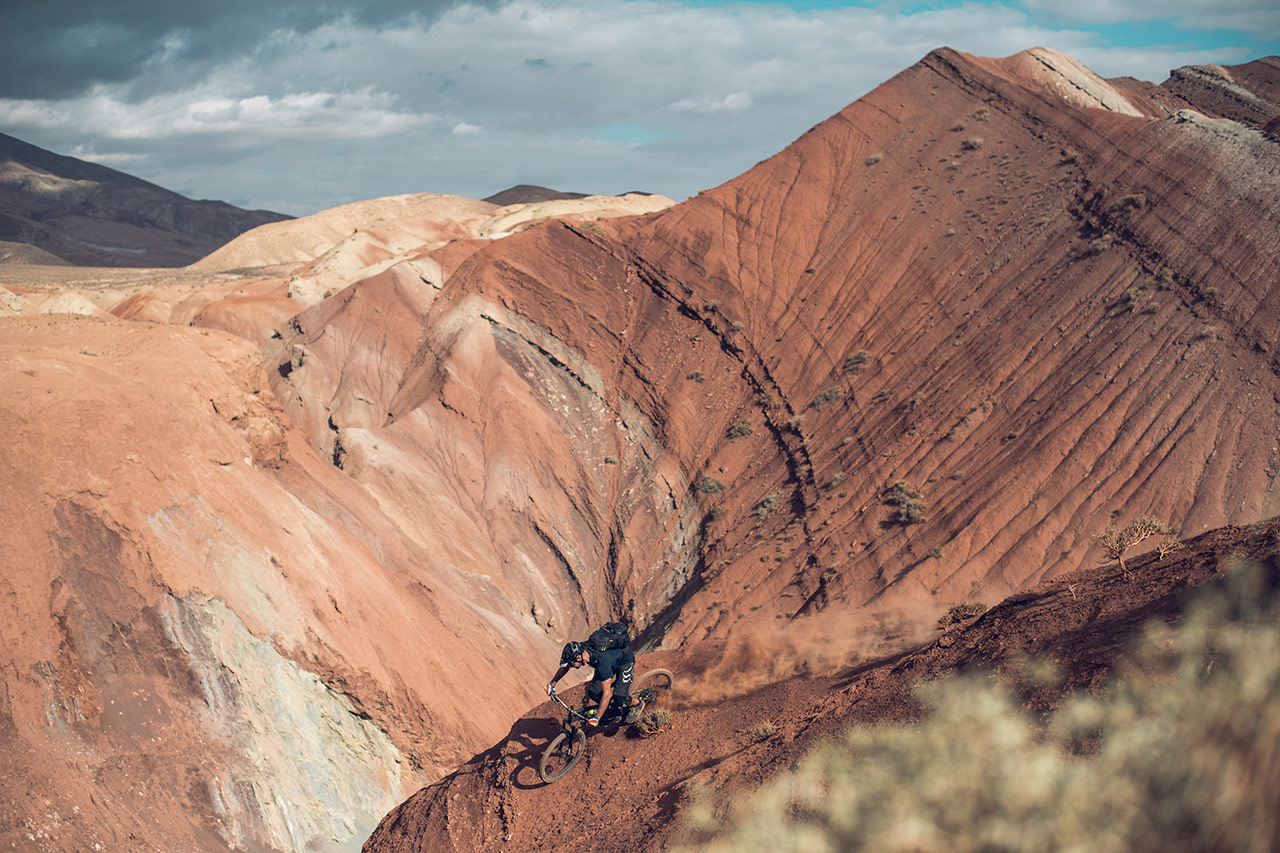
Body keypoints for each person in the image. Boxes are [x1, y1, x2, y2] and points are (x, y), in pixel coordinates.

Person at [545, 622, 638, 727]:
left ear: (578, 658)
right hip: (610, 663)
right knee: (594, 693)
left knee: (620, 698)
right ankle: (614, 710)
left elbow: (607, 694)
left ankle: (637, 704)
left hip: (624, 663)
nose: (571, 666)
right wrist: (552, 684)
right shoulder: (582, 648)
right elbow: (566, 666)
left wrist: (596, 718)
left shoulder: (601, 662)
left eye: (572, 663)